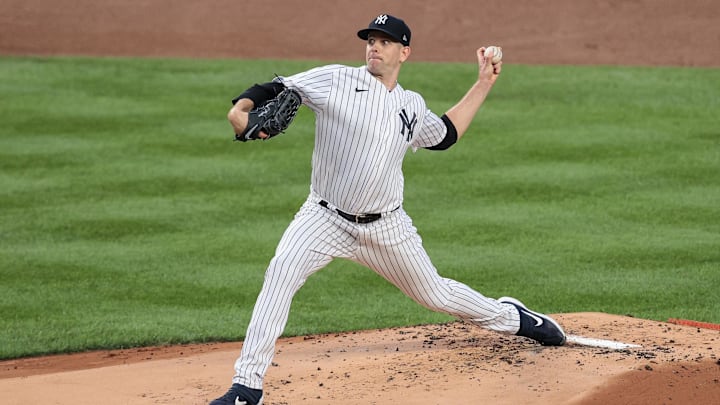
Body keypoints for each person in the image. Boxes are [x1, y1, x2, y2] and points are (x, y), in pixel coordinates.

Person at [211, 13, 566, 405]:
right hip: (323, 217)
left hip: (387, 227)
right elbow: (273, 86)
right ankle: (248, 387)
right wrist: (239, 110)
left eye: (384, 41)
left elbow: (445, 136)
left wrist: (483, 82)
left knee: (436, 295)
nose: (374, 47)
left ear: (404, 52)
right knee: (280, 273)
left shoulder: (411, 105)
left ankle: (514, 318)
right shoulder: (336, 79)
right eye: (370, 40)